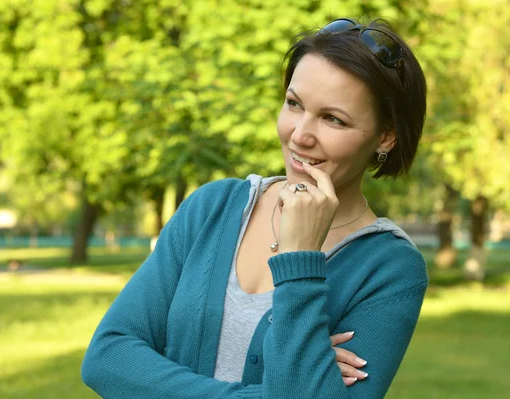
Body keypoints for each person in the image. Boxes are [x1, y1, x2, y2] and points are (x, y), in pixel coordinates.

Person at [82, 17, 428, 398]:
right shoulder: (212, 208)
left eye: (333, 119)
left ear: (386, 136)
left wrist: (300, 260)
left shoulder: (391, 268)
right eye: (294, 104)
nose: (299, 135)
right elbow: (107, 355)